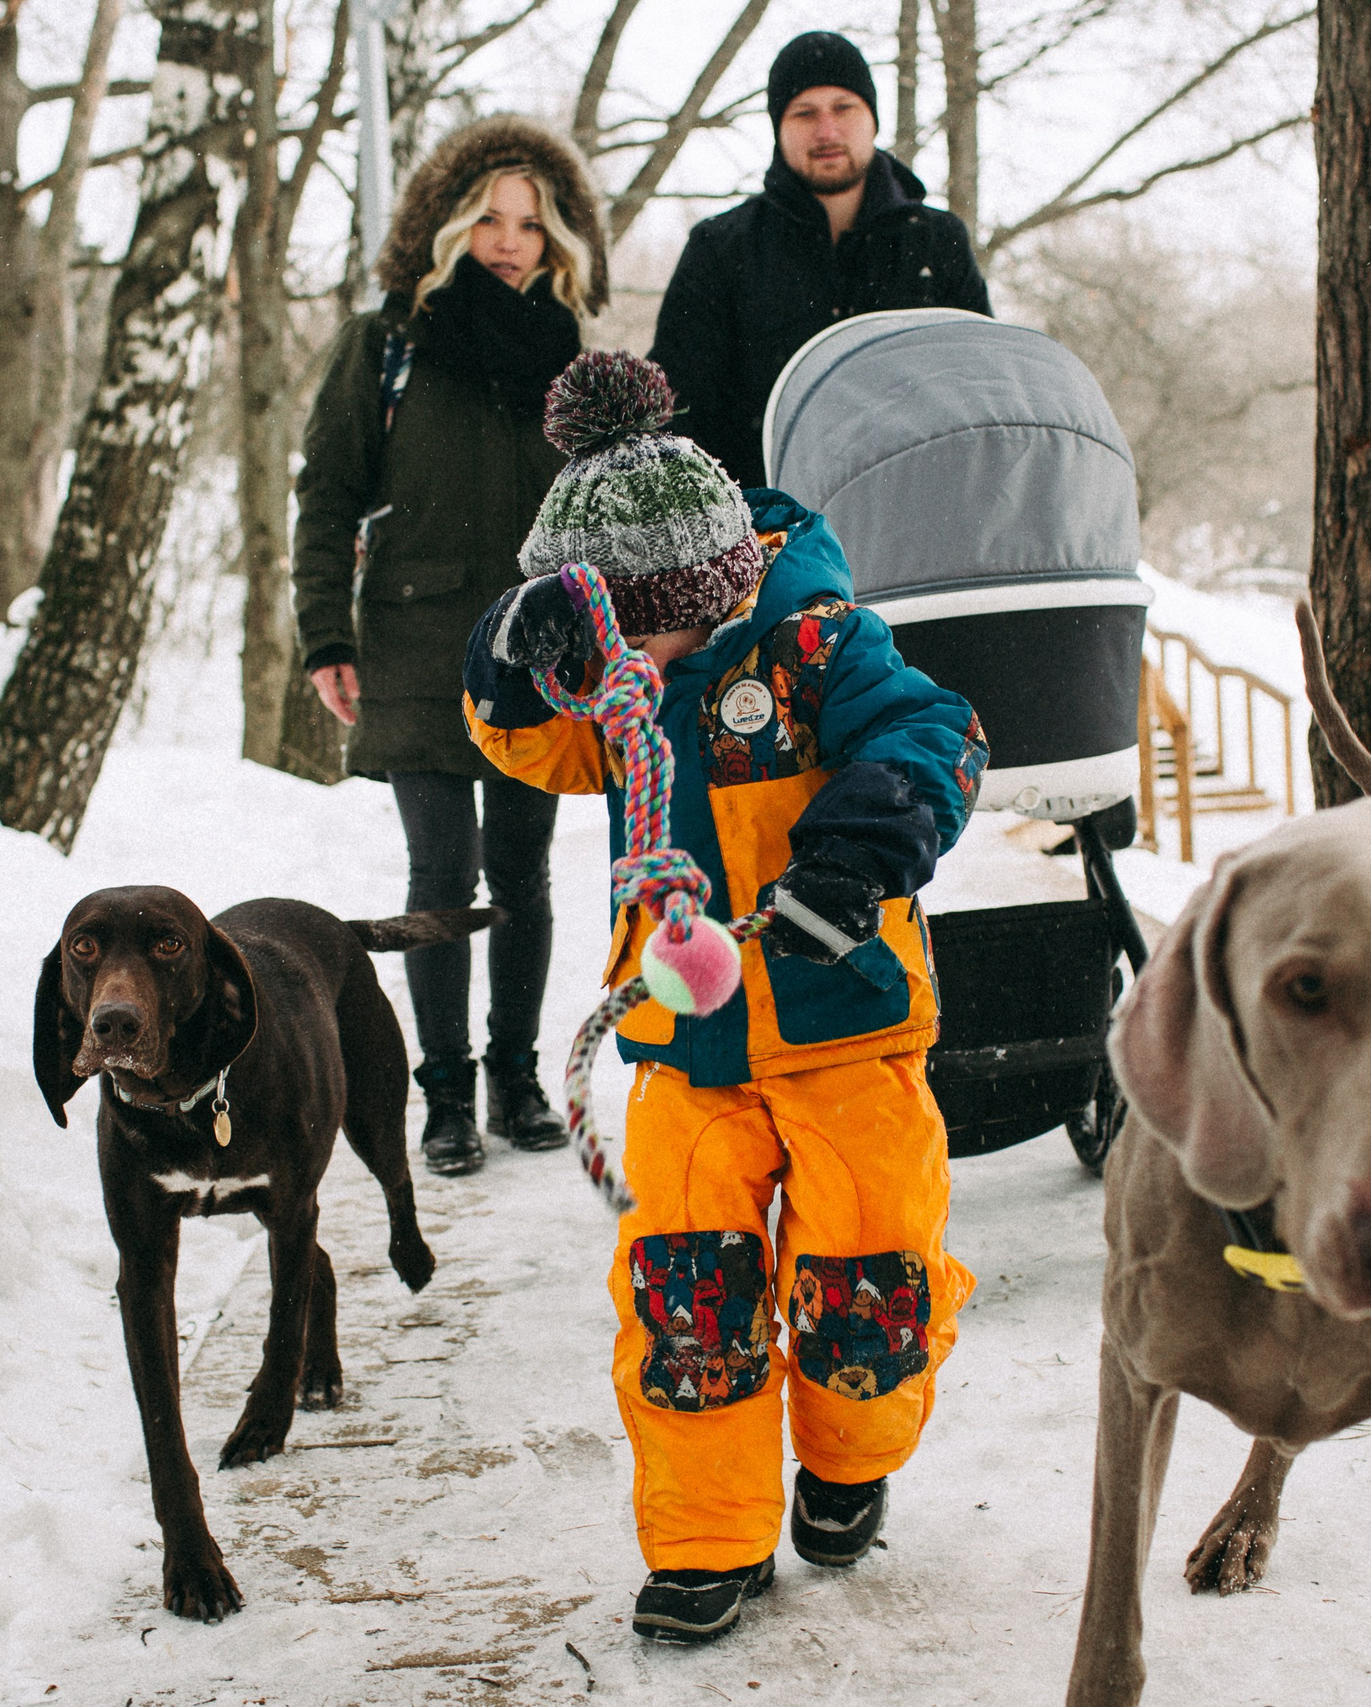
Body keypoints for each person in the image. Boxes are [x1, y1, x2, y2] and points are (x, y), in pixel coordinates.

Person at [461, 351, 990, 1646]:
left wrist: (855, 858)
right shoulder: (620, 688)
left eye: (642, 634)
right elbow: (521, 732)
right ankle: (706, 1534)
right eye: (602, 643)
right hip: (685, 1051)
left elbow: (940, 737)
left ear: (714, 585)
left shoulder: (819, 646)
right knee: (686, 1293)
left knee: (869, 1280)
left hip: (846, 1026)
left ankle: (852, 1457)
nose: (627, 665)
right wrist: (513, 652)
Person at [293, 116, 611, 1177]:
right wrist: (323, 637)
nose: (511, 240)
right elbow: (327, 495)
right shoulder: (387, 343)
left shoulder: (571, 358)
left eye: (532, 221)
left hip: (535, 645)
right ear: (447, 226)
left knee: (520, 869)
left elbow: (606, 509)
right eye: (488, 218)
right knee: (442, 869)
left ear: (557, 237)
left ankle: (516, 1076)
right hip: (416, 638)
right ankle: (444, 1091)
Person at [648, 30, 991, 488]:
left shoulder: (936, 241)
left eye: (843, 108)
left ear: (872, 118)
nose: (826, 130)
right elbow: (675, 413)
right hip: (765, 532)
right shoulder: (721, 248)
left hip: (913, 524)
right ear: (778, 128)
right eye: (804, 113)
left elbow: (983, 392)